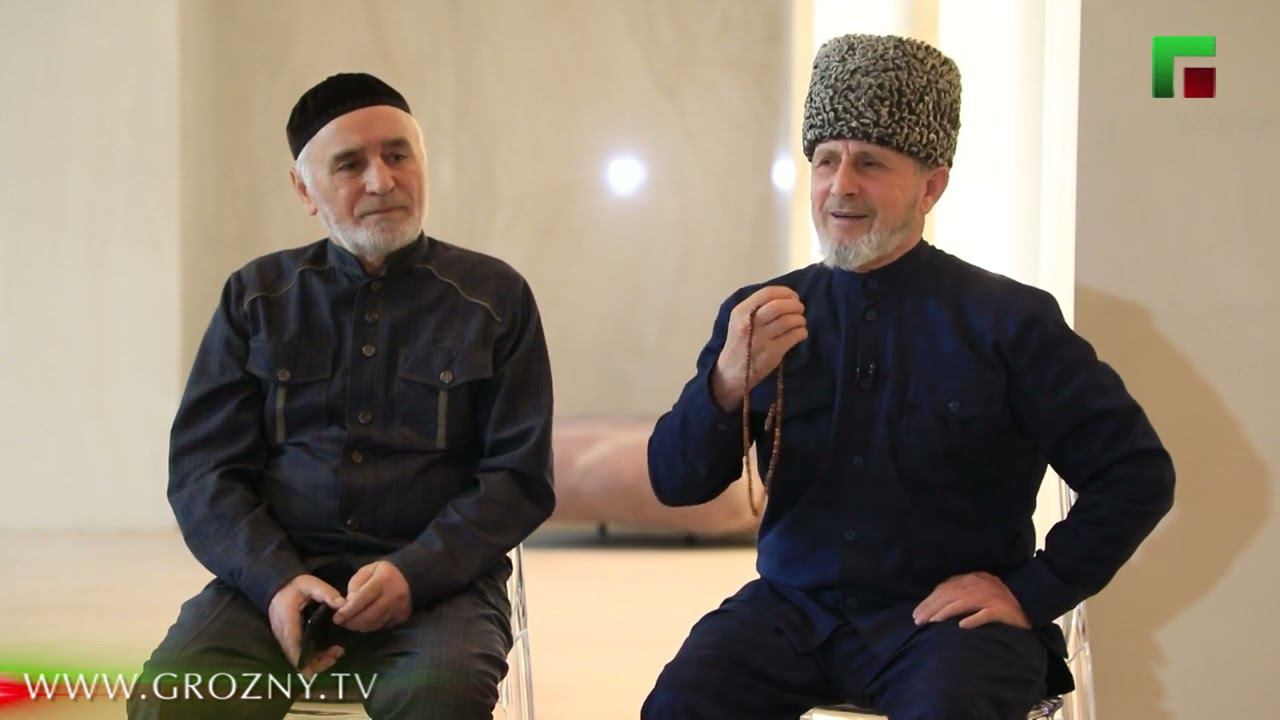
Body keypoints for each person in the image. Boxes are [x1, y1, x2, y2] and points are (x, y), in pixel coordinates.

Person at [643, 34, 1174, 719]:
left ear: (931, 187)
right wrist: (726, 381)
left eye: (870, 162)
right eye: (826, 160)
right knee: (682, 703)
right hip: (791, 611)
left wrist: (1033, 590)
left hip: (946, 626)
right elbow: (675, 482)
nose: (841, 186)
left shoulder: (1008, 321)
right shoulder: (764, 313)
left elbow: (1136, 472)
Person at [128, 72, 554, 720]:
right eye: (350, 165)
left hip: (443, 588)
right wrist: (273, 580)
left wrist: (415, 573)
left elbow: (518, 477)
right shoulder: (256, 298)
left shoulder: (493, 298)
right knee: (176, 698)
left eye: (398, 155)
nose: (382, 181)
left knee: (438, 699)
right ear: (305, 189)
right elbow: (203, 471)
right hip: (278, 580)